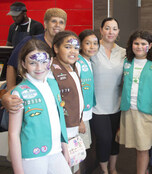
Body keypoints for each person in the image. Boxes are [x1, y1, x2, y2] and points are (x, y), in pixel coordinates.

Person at [8, 39, 71, 174]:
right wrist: (18, 170)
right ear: (24, 64)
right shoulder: (19, 92)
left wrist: (64, 146)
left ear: (50, 61)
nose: (39, 68)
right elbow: (13, 134)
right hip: (33, 156)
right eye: (33, 63)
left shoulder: (53, 84)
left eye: (44, 62)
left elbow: (59, 117)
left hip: (56, 151)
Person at [119, 30, 152, 174]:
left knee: (143, 148)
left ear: (150, 45)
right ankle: (143, 170)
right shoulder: (127, 61)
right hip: (129, 109)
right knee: (138, 147)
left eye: (143, 43)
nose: (139, 46)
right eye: (136, 43)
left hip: (147, 112)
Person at [90, 17, 125, 174]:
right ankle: (104, 170)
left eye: (114, 28)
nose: (111, 31)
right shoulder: (92, 50)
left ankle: (113, 168)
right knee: (104, 139)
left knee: (114, 139)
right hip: (96, 106)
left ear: (118, 32)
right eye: (107, 28)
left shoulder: (123, 52)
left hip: (116, 104)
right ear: (101, 30)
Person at [6, 7, 67, 90]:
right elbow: (11, 66)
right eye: (53, 21)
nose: (57, 25)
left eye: (61, 22)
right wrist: (10, 91)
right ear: (45, 24)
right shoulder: (30, 41)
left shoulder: (64, 47)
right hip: (27, 91)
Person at [51, 31, 84, 174]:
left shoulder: (74, 66)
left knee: (72, 163)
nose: (73, 51)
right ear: (56, 48)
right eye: (68, 47)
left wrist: (80, 119)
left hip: (73, 126)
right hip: (59, 129)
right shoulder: (49, 69)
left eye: (76, 48)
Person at [76, 29, 99, 150]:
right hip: (79, 117)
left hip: (86, 114)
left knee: (82, 150)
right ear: (80, 44)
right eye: (88, 43)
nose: (92, 47)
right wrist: (79, 120)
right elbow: (75, 93)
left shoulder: (89, 61)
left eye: (95, 43)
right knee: (78, 152)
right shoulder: (78, 63)